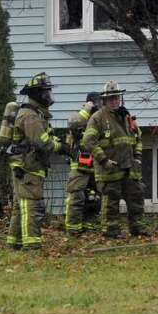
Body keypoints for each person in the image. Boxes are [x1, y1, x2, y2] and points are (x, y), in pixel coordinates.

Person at [5, 72, 64, 250]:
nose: (49, 96)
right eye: (45, 92)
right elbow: (41, 142)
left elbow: (46, 137)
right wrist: (60, 147)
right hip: (27, 167)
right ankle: (32, 246)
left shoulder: (36, 114)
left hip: (28, 166)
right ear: (37, 94)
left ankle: (14, 244)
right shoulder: (30, 115)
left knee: (20, 206)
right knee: (32, 205)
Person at [82, 81, 146, 239]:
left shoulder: (126, 117)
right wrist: (104, 160)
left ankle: (137, 229)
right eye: (111, 98)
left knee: (136, 197)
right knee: (111, 202)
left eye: (116, 98)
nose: (114, 101)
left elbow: (138, 138)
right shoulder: (97, 118)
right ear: (104, 100)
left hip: (130, 167)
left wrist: (137, 157)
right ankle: (111, 231)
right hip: (110, 168)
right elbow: (88, 141)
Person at [64, 92, 101, 236]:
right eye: (96, 102)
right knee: (77, 197)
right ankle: (73, 230)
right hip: (80, 166)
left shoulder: (100, 119)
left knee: (95, 197)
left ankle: (89, 227)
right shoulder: (79, 116)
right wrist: (87, 110)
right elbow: (73, 123)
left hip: (96, 165)